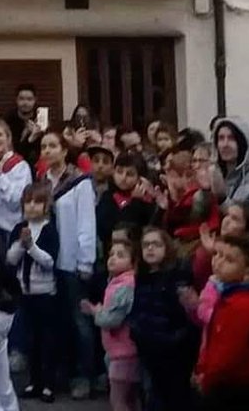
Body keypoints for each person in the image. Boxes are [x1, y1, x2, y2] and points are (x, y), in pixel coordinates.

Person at [40, 130, 97, 400]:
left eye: (53, 146)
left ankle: (85, 374)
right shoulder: (41, 182)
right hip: (48, 263)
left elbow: (86, 223)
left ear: (64, 150)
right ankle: (61, 372)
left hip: (72, 261)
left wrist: (85, 260)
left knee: (80, 322)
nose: (48, 150)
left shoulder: (79, 182)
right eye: (44, 146)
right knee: (57, 321)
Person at [128, 227, 198, 411]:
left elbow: (186, 317)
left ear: (166, 247)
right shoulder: (141, 278)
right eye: (146, 245)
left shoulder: (178, 277)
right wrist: (136, 333)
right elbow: (137, 311)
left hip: (174, 354)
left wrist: (173, 340)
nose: (150, 249)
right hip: (147, 351)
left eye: (156, 244)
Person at [195, 235, 249, 396]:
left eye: (229, 260)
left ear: (248, 272)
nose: (218, 262)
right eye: (217, 254)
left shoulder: (242, 305)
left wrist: (208, 378)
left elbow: (227, 357)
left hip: (235, 388)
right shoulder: (225, 296)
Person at [8, 182, 59, 403]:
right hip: (24, 292)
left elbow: (49, 260)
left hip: (45, 292)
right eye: (28, 202)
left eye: (37, 202)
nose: (32, 206)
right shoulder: (19, 228)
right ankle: (33, 381)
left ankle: (48, 383)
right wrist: (21, 244)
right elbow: (10, 259)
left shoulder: (49, 229)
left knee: (46, 339)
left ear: (47, 206)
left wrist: (31, 247)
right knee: (29, 339)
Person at [81, 239, 140, 411]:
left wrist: (95, 312)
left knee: (119, 400)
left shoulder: (125, 286)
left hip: (123, 353)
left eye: (120, 255)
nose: (113, 258)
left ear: (133, 262)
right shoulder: (118, 283)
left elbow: (111, 320)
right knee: (131, 400)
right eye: (111, 254)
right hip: (121, 352)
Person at [0, 118, 32, 247]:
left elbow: (16, 201)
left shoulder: (20, 166)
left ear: (8, 138)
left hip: (10, 232)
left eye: (0, 135)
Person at [213, 117, 249, 206]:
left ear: (243, 143)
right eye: (221, 138)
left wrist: (222, 199)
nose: (225, 144)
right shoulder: (214, 175)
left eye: (231, 138)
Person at [5, 84, 43, 166]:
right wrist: (27, 137)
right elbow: (12, 151)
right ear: (16, 100)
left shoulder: (41, 118)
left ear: (35, 100)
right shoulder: (8, 120)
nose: (25, 103)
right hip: (15, 164)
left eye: (29, 99)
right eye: (21, 99)